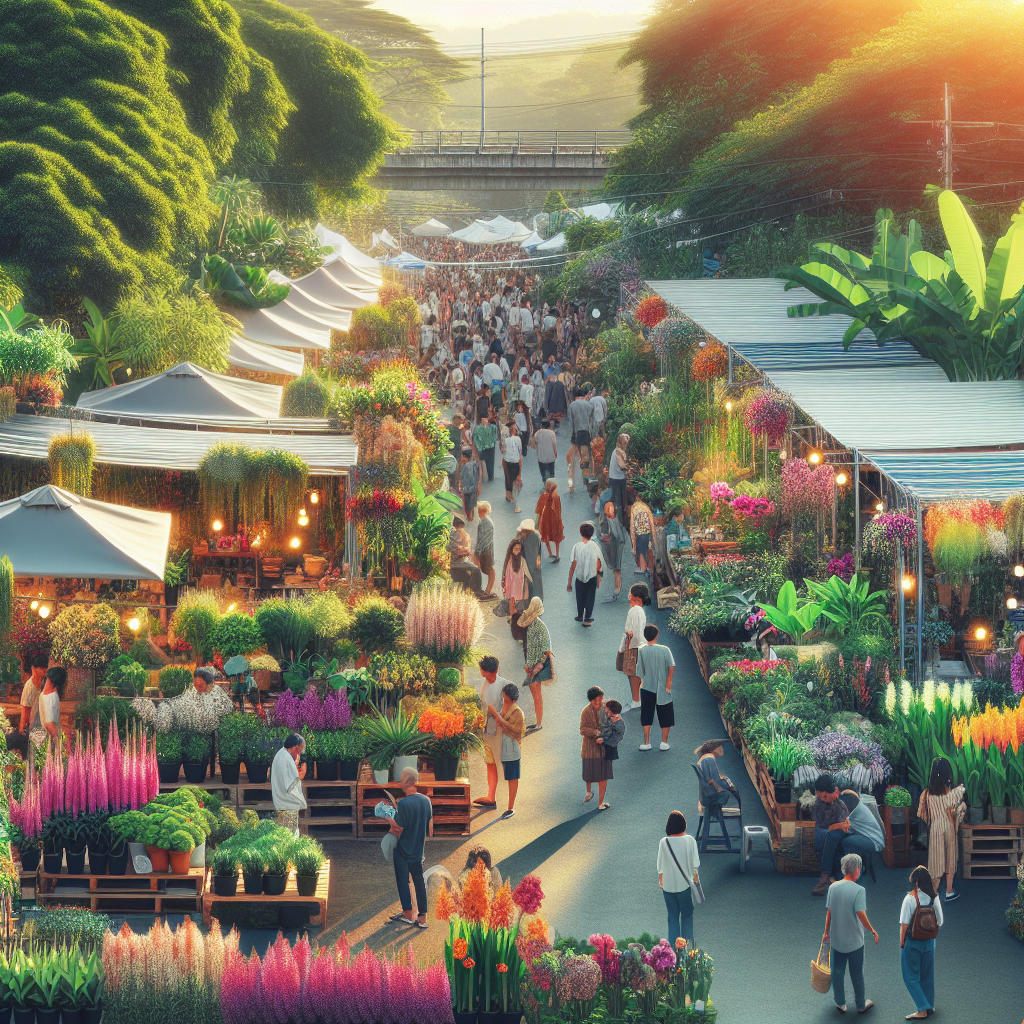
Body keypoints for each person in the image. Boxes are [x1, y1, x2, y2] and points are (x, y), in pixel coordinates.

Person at [823, 853, 878, 1015]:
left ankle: (840, 1002)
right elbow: (861, 914)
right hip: (855, 941)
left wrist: (826, 933)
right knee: (857, 974)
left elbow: (829, 913)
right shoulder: (859, 890)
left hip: (837, 939)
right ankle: (861, 1004)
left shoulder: (833, 887)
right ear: (858, 869)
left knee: (837, 972)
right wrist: (871, 929)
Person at [388, 767, 432, 929]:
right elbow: (429, 824)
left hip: (403, 849)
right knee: (419, 882)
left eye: (401, 780)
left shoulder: (404, 803)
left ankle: (407, 914)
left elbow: (398, 828)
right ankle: (422, 917)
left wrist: (388, 816)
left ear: (407, 782)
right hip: (418, 849)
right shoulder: (426, 801)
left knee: (403, 881)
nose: (399, 783)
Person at [917, 756, 965, 901]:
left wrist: (933, 819)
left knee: (936, 860)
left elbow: (922, 814)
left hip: (936, 828)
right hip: (949, 826)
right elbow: (958, 810)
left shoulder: (926, 794)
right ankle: (949, 891)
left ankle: (934, 892)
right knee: (950, 858)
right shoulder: (953, 793)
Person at [900, 866, 943, 1020]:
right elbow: (941, 921)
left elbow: (904, 924)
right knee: (927, 975)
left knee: (910, 976)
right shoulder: (934, 897)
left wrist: (902, 943)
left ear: (915, 882)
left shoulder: (910, 898)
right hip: (930, 943)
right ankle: (929, 1004)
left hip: (913, 942)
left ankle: (922, 1008)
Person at [658, 811, 701, 946]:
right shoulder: (690, 841)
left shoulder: (664, 842)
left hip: (668, 887)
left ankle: (672, 952)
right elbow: (696, 865)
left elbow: (660, 866)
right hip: (684, 886)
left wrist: (661, 881)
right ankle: (687, 950)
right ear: (683, 825)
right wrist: (696, 879)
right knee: (687, 916)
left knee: (672, 918)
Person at [474, 656, 509, 808]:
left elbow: (508, 709)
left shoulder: (504, 686)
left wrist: (494, 713)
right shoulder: (487, 683)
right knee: (490, 763)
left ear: (491, 672)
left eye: (483, 671)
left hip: (499, 732)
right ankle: (491, 796)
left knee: (501, 764)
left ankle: (505, 800)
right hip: (488, 730)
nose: (481, 673)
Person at [487, 682, 525, 820]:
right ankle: (491, 796)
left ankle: (510, 807)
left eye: (508, 700)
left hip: (511, 750)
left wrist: (500, 719)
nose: (505, 702)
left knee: (512, 777)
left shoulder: (518, 713)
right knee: (494, 770)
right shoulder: (502, 706)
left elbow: (517, 731)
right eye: (504, 699)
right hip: (499, 746)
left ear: (514, 700)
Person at [636, 624, 675, 751]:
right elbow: (671, 666)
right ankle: (664, 742)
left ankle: (646, 742)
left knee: (646, 714)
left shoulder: (642, 650)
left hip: (647, 687)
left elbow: (639, 671)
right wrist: (668, 684)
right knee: (666, 714)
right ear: (657, 635)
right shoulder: (665, 649)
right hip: (663, 688)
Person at [812, 774, 852, 896]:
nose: (822, 798)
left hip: (843, 832)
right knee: (823, 835)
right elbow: (821, 824)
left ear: (835, 791)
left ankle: (825, 877)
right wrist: (834, 827)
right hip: (827, 833)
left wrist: (836, 827)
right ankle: (828, 877)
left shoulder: (841, 802)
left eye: (825, 796)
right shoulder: (818, 804)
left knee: (831, 837)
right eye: (819, 796)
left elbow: (845, 825)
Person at [518, 597, 553, 732]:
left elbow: (546, 649)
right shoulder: (533, 625)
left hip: (537, 667)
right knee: (534, 694)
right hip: (532, 665)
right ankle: (537, 721)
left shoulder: (538, 627)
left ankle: (538, 723)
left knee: (537, 695)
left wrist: (537, 667)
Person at [618, 583, 650, 712]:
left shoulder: (635, 610)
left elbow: (634, 631)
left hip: (633, 646)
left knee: (632, 675)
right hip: (639, 645)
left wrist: (627, 646)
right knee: (637, 674)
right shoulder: (639, 610)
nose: (628, 596)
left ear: (636, 597)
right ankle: (639, 699)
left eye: (630, 594)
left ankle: (636, 701)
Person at [840, 790, 886, 878]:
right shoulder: (858, 806)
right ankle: (855, 868)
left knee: (846, 841)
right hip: (868, 837)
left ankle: (851, 871)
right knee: (846, 839)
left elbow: (844, 825)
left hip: (873, 841)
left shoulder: (854, 811)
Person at [580, 686, 612, 809]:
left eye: (600, 700)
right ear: (591, 700)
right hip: (589, 749)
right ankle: (589, 792)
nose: (599, 703)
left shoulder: (606, 709)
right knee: (588, 773)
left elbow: (612, 721)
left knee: (603, 776)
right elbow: (582, 729)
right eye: (596, 701)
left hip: (603, 749)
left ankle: (600, 802)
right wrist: (595, 733)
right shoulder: (585, 712)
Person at [566, 521, 603, 626]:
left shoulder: (577, 547)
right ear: (591, 534)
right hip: (592, 576)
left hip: (579, 577)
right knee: (590, 597)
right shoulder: (595, 546)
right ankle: (587, 619)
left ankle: (580, 615)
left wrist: (569, 582)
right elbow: (599, 563)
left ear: (580, 533)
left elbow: (573, 565)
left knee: (579, 596)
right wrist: (599, 577)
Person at [271, 732, 307, 834]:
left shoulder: (281, 754)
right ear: (296, 746)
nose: (300, 753)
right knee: (290, 835)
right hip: (287, 803)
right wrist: (302, 771)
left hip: (282, 802)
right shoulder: (286, 758)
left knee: (286, 834)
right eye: (300, 750)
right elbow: (292, 782)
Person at [15, 652, 49, 751]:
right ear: (33, 668)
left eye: (45, 667)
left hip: (45, 727)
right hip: (34, 730)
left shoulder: (46, 683)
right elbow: (25, 711)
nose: (45, 670)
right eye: (42, 668)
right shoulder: (29, 687)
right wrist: (22, 729)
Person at [598, 500, 628, 600]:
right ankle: (617, 587)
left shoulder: (610, 520)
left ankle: (617, 588)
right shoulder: (610, 520)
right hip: (614, 546)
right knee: (616, 568)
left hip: (615, 546)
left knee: (616, 568)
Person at [501, 538, 531, 622]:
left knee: (520, 605)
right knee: (512, 603)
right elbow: (506, 574)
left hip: (520, 587)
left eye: (519, 549)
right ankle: (512, 618)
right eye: (515, 549)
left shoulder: (522, 560)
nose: (517, 551)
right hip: (511, 586)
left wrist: (530, 582)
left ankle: (518, 618)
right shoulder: (509, 560)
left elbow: (527, 572)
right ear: (512, 549)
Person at [535, 479, 564, 561]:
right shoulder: (556, 496)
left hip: (546, 519)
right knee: (556, 536)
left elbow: (539, 510)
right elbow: (559, 509)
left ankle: (550, 553)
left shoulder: (544, 496)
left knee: (546, 534)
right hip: (555, 519)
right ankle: (557, 554)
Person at [37, 666, 66, 747]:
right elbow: (49, 723)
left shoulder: (44, 694)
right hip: (50, 738)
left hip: (48, 736)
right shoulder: (51, 696)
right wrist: (58, 744)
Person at [474, 501, 496, 598]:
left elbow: (483, 539)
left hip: (486, 549)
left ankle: (488, 590)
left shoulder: (486, 523)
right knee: (484, 568)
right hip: (483, 548)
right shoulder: (481, 521)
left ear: (482, 511)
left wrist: (477, 552)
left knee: (488, 568)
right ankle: (484, 590)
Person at [517, 518, 544, 600]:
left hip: (531, 567)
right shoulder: (535, 536)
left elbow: (531, 556)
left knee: (534, 585)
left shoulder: (531, 539)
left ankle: (535, 601)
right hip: (535, 567)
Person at [630, 496, 654, 576]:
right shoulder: (646, 507)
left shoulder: (634, 508)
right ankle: (650, 569)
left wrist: (633, 544)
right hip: (647, 532)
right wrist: (654, 534)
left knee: (640, 551)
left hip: (639, 533)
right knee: (648, 549)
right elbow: (651, 522)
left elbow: (632, 526)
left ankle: (643, 568)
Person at [502, 421, 523, 513]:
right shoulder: (518, 439)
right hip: (515, 461)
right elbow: (520, 451)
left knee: (509, 478)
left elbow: (503, 451)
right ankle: (516, 501)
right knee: (516, 481)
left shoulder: (506, 440)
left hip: (508, 461)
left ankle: (509, 495)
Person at [609, 433, 630, 523]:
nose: (626, 445)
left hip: (618, 478)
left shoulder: (618, 451)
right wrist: (629, 468)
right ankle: (619, 521)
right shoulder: (618, 452)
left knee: (621, 500)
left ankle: (620, 519)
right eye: (625, 443)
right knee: (619, 501)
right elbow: (622, 465)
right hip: (616, 479)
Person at [473, 414, 498, 482]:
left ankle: (481, 477)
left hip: (481, 448)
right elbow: (496, 433)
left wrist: (478, 447)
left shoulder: (477, 428)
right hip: (491, 447)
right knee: (490, 462)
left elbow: (475, 439)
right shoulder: (492, 427)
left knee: (480, 462)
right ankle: (490, 476)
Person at [531, 418, 558, 483]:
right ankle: (551, 488)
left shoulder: (537, 433)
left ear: (541, 426)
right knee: (551, 474)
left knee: (543, 475)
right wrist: (555, 454)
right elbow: (554, 446)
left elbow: (535, 445)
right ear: (549, 426)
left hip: (541, 457)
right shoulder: (552, 433)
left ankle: (545, 485)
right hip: (550, 457)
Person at [599, 699, 625, 764]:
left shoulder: (618, 723)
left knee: (607, 760)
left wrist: (604, 741)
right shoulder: (610, 715)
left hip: (610, 743)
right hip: (608, 740)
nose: (607, 713)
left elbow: (617, 735)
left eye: (610, 713)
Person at [459, 447, 481, 521]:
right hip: (474, 487)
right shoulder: (475, 464)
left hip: (467, 488)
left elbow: (463, 477)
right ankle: (471, 516)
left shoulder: (465, 466)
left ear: (465, 456)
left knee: (468, 504)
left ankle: (469, 517)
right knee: (472, 503)